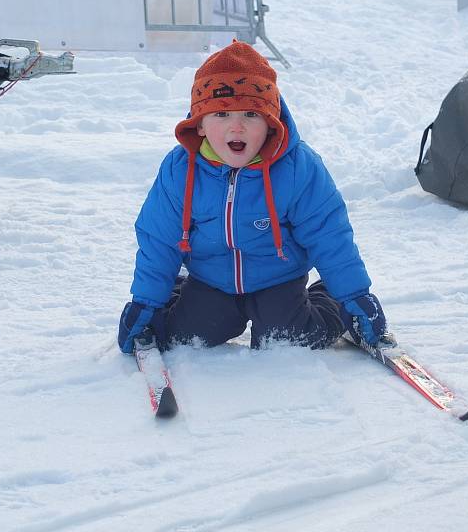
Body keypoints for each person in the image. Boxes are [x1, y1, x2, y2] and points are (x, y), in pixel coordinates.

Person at [118, 40, 386, 354]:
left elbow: (329, 235)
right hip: (210, 279)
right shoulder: (180, 170)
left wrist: (353, 296)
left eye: (250, 113)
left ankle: (328, 297)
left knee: (291, 340)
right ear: (200, 125)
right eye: (220, 114)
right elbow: (159, 239)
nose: (237, 126)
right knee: (185, 339)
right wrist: (147, 303)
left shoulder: (298, 168)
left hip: (278, 277)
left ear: (271, 123)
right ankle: (178, 290)